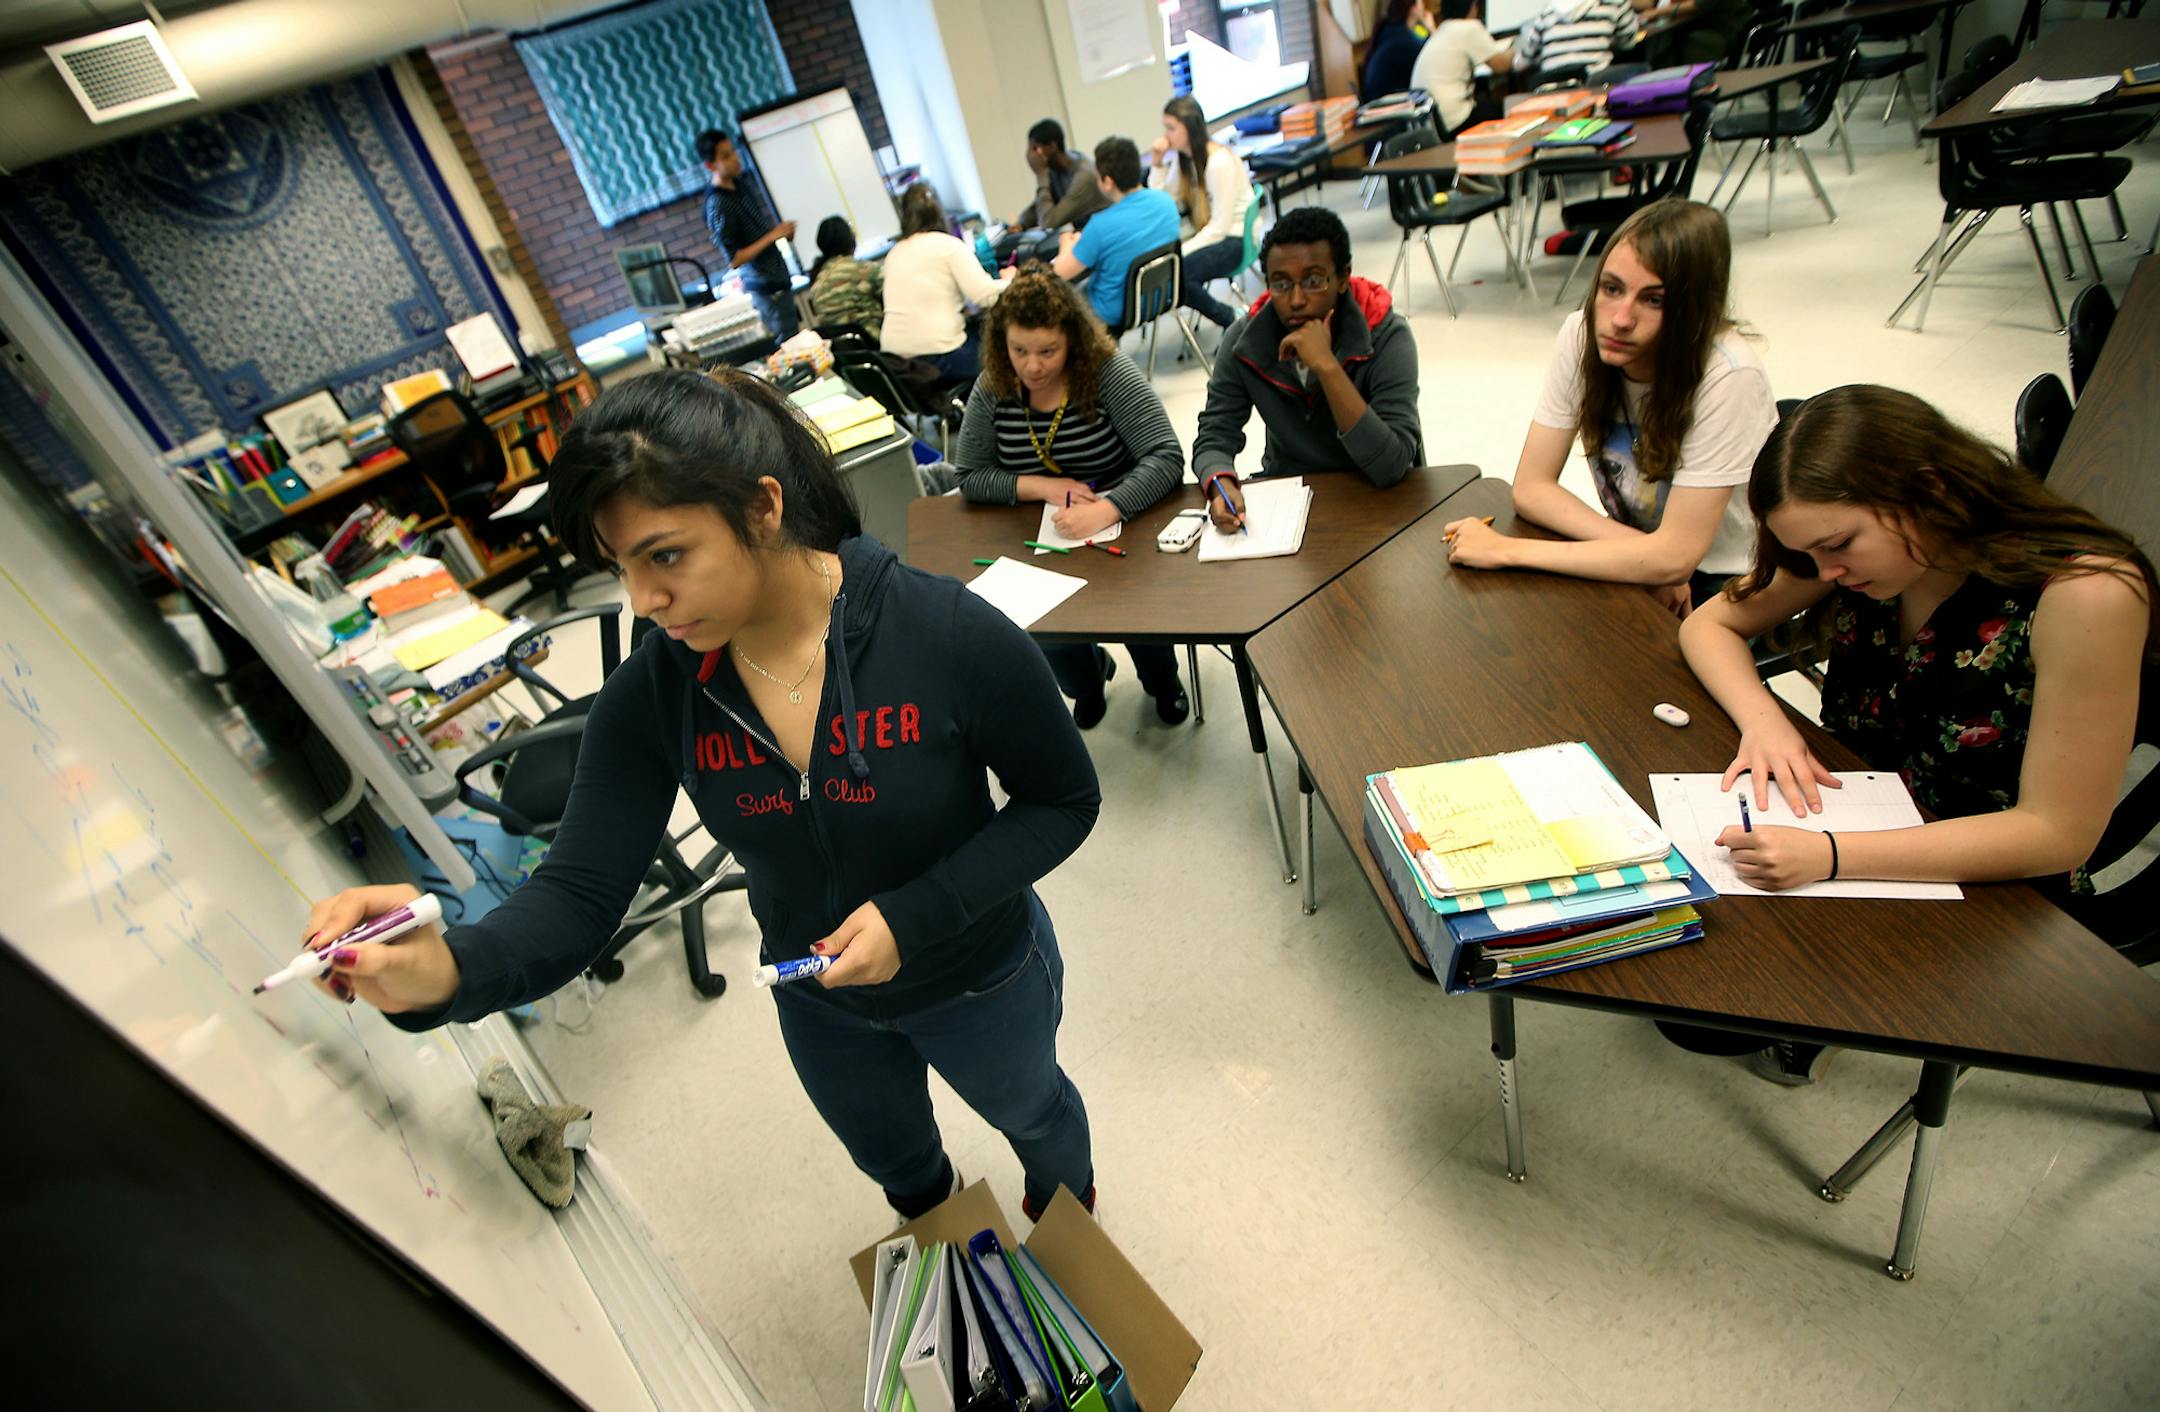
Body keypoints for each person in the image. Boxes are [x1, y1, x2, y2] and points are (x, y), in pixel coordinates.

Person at [294, 369, 1103, 1223]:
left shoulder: (943, 632)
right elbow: (577, 894)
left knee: (1036, 1116)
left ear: (763, 507)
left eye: (665, 555)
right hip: (819, 999)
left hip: (976, 974)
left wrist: (919, 915)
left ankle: (1070, 1244)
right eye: (621, 566)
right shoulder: (654, 694)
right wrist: (450, 970)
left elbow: (1063, 801)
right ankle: (963, 1280)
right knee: (900, 1166)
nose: (643, 602)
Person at [1671, 384, 2154, 1083]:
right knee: (1689, 966)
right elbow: (1709, 623)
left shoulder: (2086, 593)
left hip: (1990, 876)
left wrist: (1831, 857)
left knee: (1719, 992)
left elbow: (2058, 833)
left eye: (1837, 547)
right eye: (1810, 556)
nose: (1827, 574)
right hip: (1853, 809)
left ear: (1927, 491)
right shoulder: (1863, 558)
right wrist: (1766, 722)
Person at [1443, 200, 1774, 619]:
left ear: (1693, 313)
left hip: (1725, 576)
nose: (1619, 319)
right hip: (1637, 547)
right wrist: (1646, 560)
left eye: (1653, 300)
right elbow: (1530, 488)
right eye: (1612, 288)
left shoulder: (1730, 376)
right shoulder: (1582, 336)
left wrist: (1507, 551)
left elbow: (1679, 556)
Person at [953, 266, 1189, 728]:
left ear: (1073, 341)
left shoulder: (1106, 371)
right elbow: (971, 475)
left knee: (1137, 617)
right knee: (1048, 628)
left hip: (1124, 519)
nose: (1032, 366)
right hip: (1042, 533)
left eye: (1048, 351)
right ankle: (1086, 684)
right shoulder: (995, 384)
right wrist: (1040, 486)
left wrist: (1108, 507)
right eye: (1018, 350)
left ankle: (1162, 683)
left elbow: (1165, 455)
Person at [1193, 205, 1423, 527]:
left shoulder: (1386, 335)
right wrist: (1220, 483)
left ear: (1343, 277)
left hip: (1376, 497)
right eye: (1281, 284)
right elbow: (1214, 436)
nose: (1297, 299)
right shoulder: (1245, 341)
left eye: (1314, 281)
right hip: (1289, 498)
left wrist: (1327, 367)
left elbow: (1391, 465)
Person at [880, 186, 1013, 382]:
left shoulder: (893, 253)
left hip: (895, 361)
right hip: (939, 356)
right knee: (1007, 351)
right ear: (939, 212)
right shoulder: (949, 245)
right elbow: (985, 296)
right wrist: (1011, 281)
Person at [1051, 137, 1181, 331]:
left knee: (1062, 302)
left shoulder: (1099, 227)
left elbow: (1058, 274)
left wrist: (1066, 248)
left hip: (1115, 312)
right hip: (1161, 296)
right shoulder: (1166, 202)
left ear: (1108, 182)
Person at [1146, 96, 1252, 329]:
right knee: (1174, 274)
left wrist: (1181, 251)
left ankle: (1233, 320)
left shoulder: (1218, 161)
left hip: (1237, 239)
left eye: (1171, 128)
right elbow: (1160, 200)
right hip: (1218, 235)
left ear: (1190, 128)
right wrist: (1156, 162)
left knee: (1178, 277)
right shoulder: (1185, 160)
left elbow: (1220, 226)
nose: (1166, 136)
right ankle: (1231, 318)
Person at [697, 127, 800, 343]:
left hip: (779, 280)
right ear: (710, 165)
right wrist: (772, 236)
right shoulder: (718, 203)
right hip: (766, 289)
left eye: (733, 152)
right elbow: (734, 259)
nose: (735, 159)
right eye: (726, 156)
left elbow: (756, 233)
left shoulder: (740, 183)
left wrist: (778, 235)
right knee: (790, 351)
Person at [1410, 0, 1514, 138]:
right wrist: (1519, 45)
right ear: (1472, 7)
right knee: (1512, 107)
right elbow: (1502, 65)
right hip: (1455, 120)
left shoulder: (1442, 30)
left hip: (1432, 123)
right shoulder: (1469, 27)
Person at [1514, 0, 1654, 82]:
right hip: (1595, 82)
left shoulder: (1546, 13)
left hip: (1551, 87)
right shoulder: (1614, 3)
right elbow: (1628, 41)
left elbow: (1522, 63)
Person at [1015, 118, 1110, 232]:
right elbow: (1041, 206)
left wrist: (1041, 175)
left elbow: (1049, 222)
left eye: (1035, 148)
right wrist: (1021, 223)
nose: (1030, 156)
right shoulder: (1055, 170)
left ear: (1052, 147)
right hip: (1091, 235)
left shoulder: (1084, 176)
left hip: (1108, 236)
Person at [806, 216, 884, 340]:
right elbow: (896, 296)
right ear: (850, 239)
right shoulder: (864, 270)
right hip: (877, 342)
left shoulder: (817, 282)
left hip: (848, 352)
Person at [1361, 0, 1434, 101]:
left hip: (1382, 102)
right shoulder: (1401, 40)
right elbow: (1433, 60)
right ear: (1413, 8)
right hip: (1389, 108)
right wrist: (1432, 29)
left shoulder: (1392, 31)